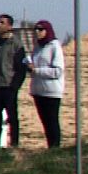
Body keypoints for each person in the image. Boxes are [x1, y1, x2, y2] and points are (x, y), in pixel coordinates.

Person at [0, 14, 28, 149]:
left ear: (9, 26)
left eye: (2, 23)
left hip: (8, 87)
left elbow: (21, 69)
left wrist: (14, 87)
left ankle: (14, 146)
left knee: (12, 119)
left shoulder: (17, 45)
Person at [28, 19, 65, 148]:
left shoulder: (54, 46)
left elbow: (57, 71)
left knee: (52, 121)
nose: (37, 32)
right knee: (45, 122)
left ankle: (55, 148)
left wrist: (37, 70)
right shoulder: (37, 47)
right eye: (36, 29)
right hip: (38, 90)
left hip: (51, 91)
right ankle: (50, 147)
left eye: (40, 29)